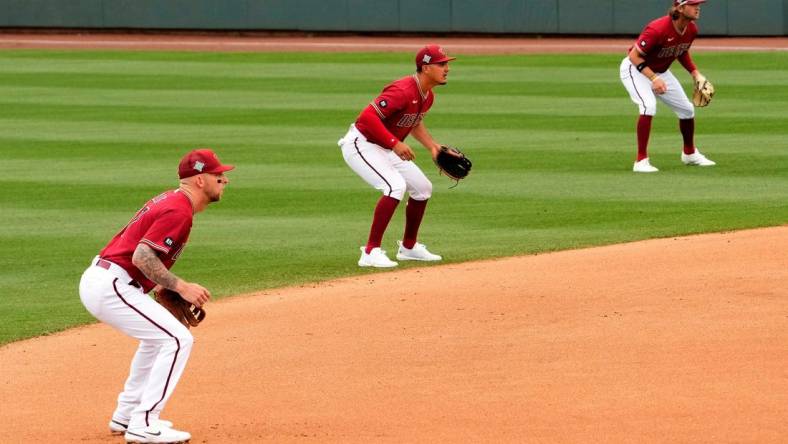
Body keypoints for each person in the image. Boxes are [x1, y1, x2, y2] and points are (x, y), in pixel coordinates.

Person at [79, 148, 233, 443]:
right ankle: (145, 422)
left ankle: (127, 415)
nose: (224, 180)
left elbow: (140, 254)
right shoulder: (179, 209)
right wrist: (179, 286)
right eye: (218, 175)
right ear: (200, 180)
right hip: (112, 285)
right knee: (177, 339)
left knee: (156, 339)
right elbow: (141, 255)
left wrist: (160, 285)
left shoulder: (174, 201)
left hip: (107, 280)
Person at [338, 44, 457, 268]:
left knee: (423, 188)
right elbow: (367, 117)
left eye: (447, 63)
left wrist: (432, 146)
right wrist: (395, 143)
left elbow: (414, 121)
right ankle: (370, 252)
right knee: (395, 187)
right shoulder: (403, 90)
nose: (447, 68)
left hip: (384, 147)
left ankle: (409, 247)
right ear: (426, 67)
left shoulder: (427, 96)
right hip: (361, 144)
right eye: (442, 64)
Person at [620, 0, 716, 173]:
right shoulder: (657, 29)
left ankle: (689, 154)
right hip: (635, 70)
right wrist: (653, 78)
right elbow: (634, 56)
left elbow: (681, 50)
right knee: (648, 106)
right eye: (693, 4)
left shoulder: (692, 29)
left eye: (698, 4)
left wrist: (695, 73)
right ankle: (641, 161)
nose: (698, 7)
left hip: (660, 72)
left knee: (687, 110)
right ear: (680, 8)